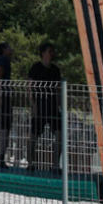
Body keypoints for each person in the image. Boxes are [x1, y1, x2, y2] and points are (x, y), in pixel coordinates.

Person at [27, 42, 62, 172]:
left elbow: (58, 89)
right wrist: (33, 104)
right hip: (40, 106)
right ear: (43, 53)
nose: (52, 53)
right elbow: (29, 87)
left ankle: (55, 165)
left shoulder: (55, 69)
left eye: (52, 51)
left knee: (59, 135)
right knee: (33, 135)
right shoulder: (36, 67)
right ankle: (30, 163)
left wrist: (60, 106)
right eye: (49, 51)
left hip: (53, 107)